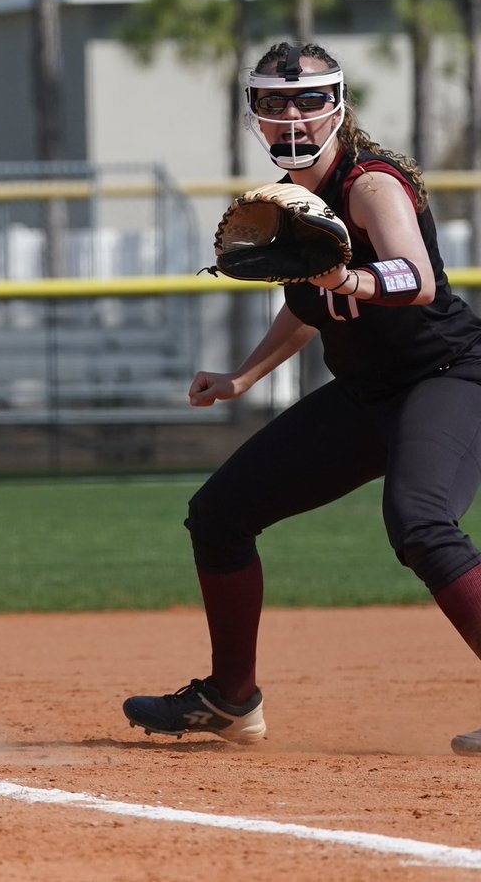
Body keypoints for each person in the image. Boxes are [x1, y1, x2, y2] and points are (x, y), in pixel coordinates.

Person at [122, 41, 481, 754]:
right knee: (220, 515)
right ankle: (231, 698)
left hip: (448, 377)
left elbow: (419, 278)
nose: (294, 114)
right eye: (275, 100)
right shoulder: (292, 203)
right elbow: (306, 309)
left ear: (338, 105)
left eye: (310, 98)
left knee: (420, 523)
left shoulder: (370, 184)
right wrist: (241, 378)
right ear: (254, 109)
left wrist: (349, 281)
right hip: (368, 394)